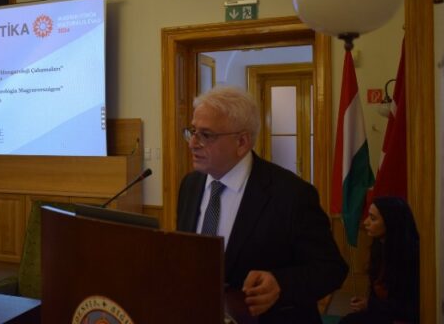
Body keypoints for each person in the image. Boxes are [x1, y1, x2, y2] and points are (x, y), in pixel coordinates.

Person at [177, 86, 348, 324]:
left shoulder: (292, 194)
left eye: (206, 135)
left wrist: (281, 284)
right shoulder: (190, 185)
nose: (193, 143)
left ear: (242, 142)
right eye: (192, 132)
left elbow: (331, 269)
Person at [340, 196, 419, 324]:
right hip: (383, 313)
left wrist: (370, 305)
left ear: (390, 222)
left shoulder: (410, 256)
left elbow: (409, 307)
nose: (365, 222)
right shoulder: (379, 247)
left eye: (373, 218)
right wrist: (366, 303)